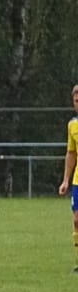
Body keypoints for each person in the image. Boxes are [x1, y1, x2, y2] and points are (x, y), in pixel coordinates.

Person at [58, 83, 78, 272]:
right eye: (76, 100)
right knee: (77, 220)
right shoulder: (72, 124)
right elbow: (71, 153)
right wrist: (65, 180)